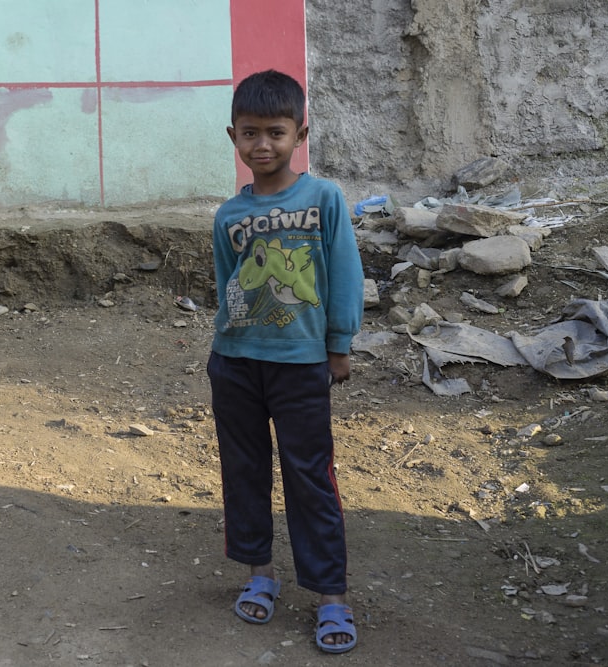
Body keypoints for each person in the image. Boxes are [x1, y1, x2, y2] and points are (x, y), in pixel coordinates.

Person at [207, 69, 363, 655]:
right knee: (243, 470)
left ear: (300, 133)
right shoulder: (228, 215)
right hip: (236, 363)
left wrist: (339, 344)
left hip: (300, 365)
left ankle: (331, 595)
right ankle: (259, 574)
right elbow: (230, 286)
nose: (263, 145)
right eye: (251, 133)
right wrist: (227, 348)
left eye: (276, 132)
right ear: (233, 137)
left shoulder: (323, 199)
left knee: (308, 475)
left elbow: (345, 271)